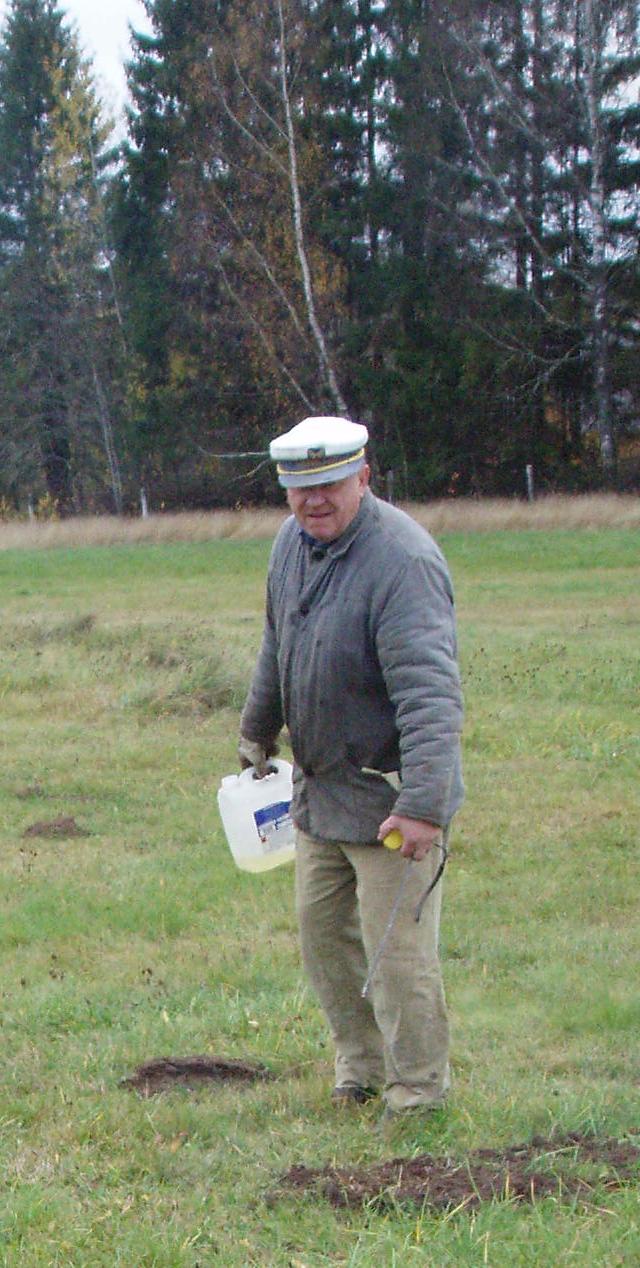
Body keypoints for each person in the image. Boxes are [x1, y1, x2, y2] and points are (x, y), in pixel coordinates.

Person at [239, 415, 465, 1119]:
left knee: (398, 959)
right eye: (300, 488)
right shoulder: (291, 544)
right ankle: (360, 1070)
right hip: (319, 792)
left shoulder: (403, 561)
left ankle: (418, 1094)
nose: (315, 501)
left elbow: (430, 695)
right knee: (324, 944)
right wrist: (256, 730)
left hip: (389, 800)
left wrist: (423, 803)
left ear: (363, 477)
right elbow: (278, 642)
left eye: (330, 484)